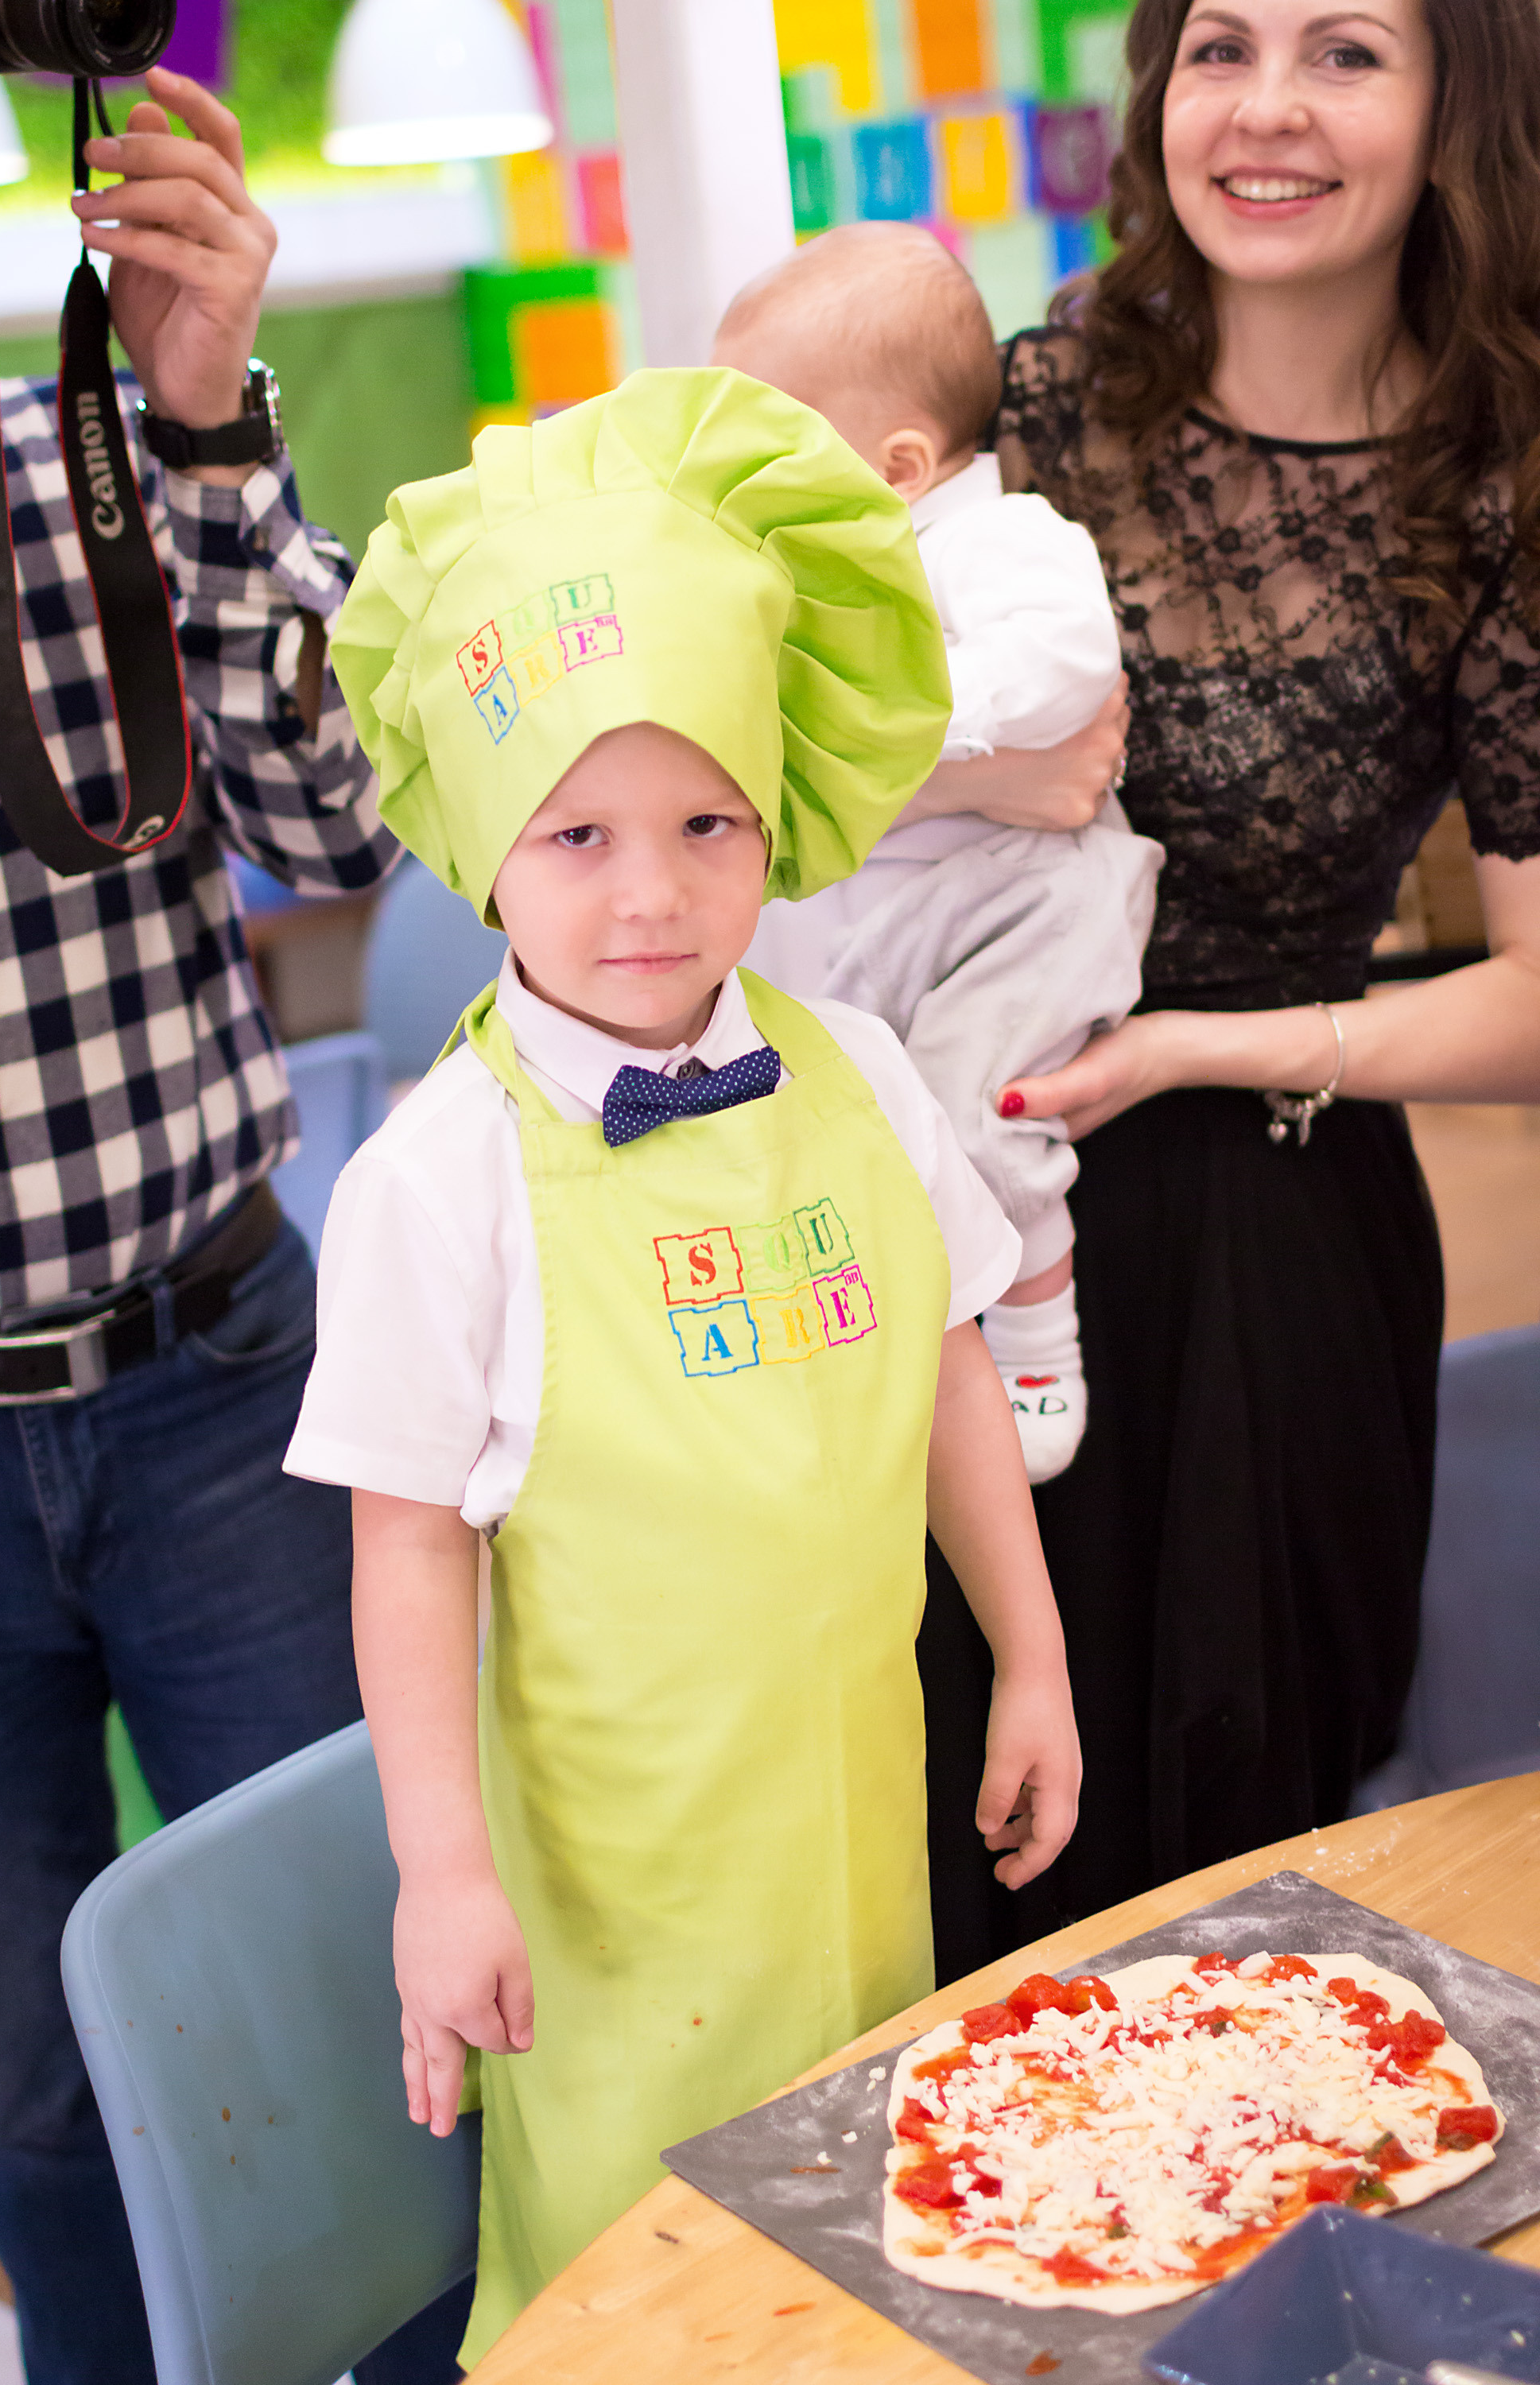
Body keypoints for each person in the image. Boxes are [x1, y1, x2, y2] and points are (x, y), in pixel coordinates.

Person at [282, 364, 1083, 2364]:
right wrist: (439, 1875)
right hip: (611, 1912)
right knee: (649, 2311)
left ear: (775, 817)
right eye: (578, 834)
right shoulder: (438, 1178)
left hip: (849, 1840)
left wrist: (1034, 1652)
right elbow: (406, 1549)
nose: (650, 890)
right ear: (484, 852)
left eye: (705, 818)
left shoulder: (859, 1073)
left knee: (868, 2273)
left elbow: (947, 1369)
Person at [917, 0, 1540, 1978]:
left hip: (1271, 1242)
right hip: (950, 1228)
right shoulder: (1028, 401)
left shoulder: (1503, 475)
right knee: (957, 1855)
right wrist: (972, 767)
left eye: (1346, 52)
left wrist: (1199, 1047)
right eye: (1221, 47)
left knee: (1240, 1903)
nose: (1266, 108)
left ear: (1456, 101)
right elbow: (779, 779)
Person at [0, 38, 460, 2385]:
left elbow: (354, 836)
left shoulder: (71, 434)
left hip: (216, 1364)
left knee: (372, 2020)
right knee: (27, 2092)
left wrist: (210, 428)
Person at [714, 221, 1163, 1488]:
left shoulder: (1000, 543)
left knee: (977, 1108)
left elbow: (1066, 661)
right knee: (864, 1116)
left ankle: (1037, 1347)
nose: (743, 490)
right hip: (922, 915)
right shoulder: (823, 573)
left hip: (1035, 903)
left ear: (899, 464)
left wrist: (912, 732)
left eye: (769, 456)